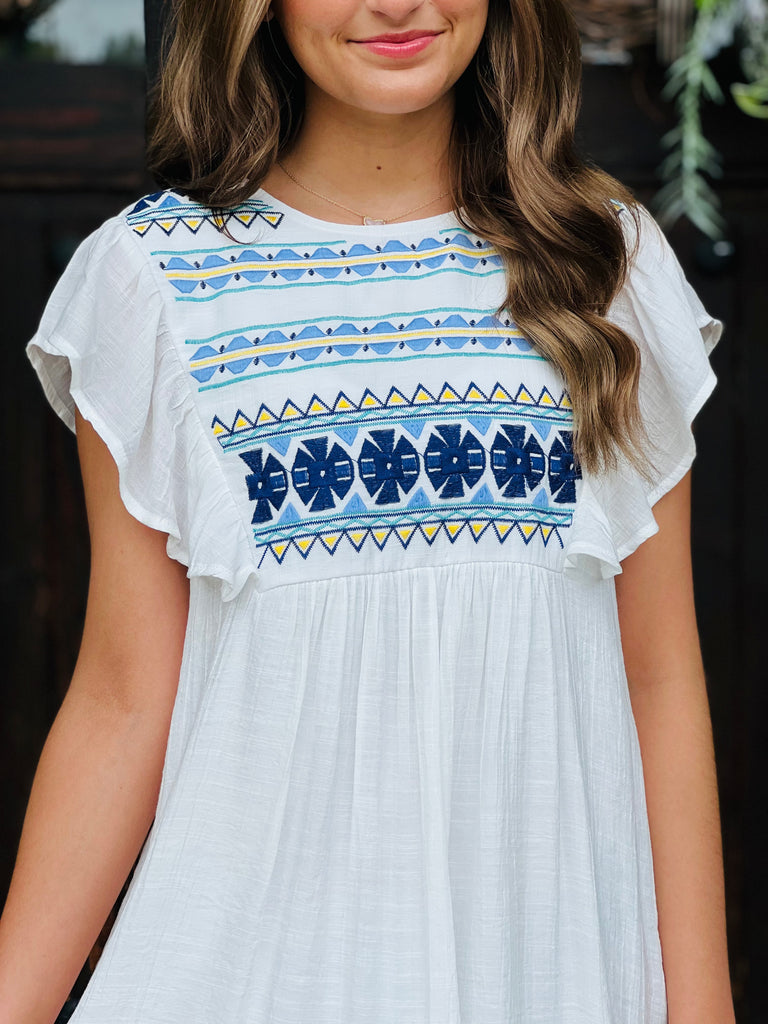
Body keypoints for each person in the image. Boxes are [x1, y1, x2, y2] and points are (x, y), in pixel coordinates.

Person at [0, 0, 736, 1022]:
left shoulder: (601, 264)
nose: (396, 5)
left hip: (541, 967)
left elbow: (658, 681)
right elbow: (124, 701)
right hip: (253, 976)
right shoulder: (154, 278)